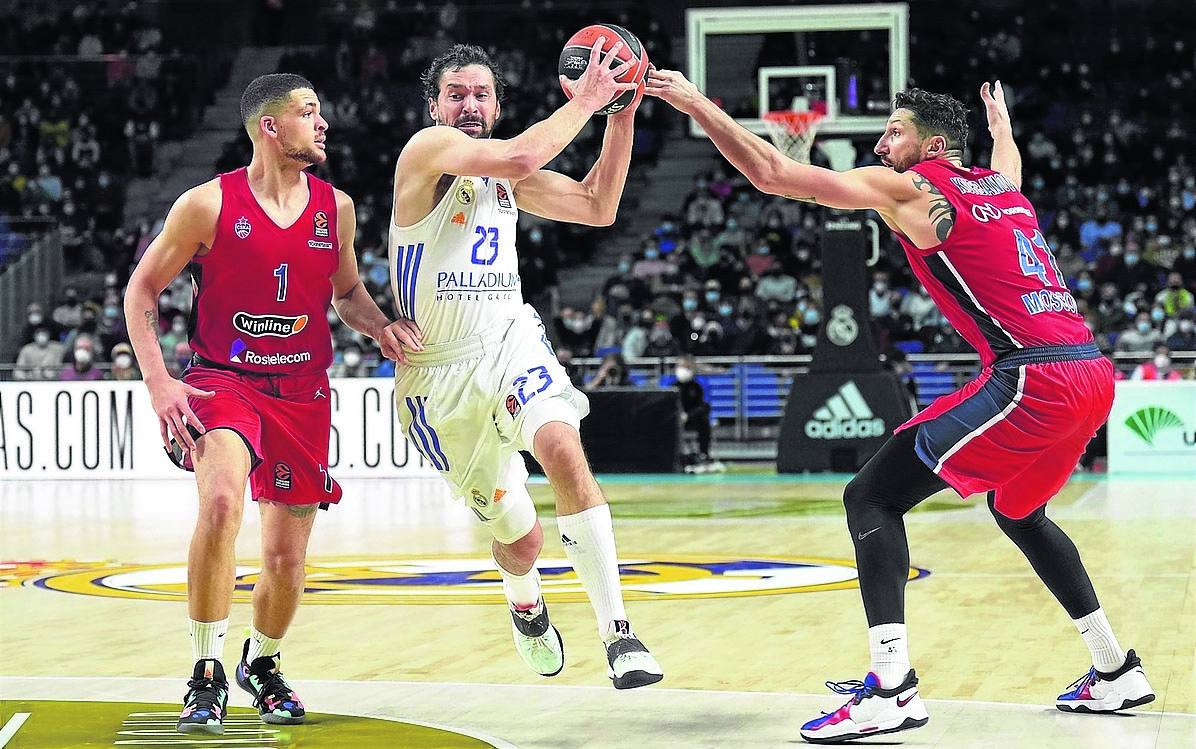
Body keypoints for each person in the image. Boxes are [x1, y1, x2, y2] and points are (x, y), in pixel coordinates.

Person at [646, 71, 1154, 741]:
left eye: (894, 132)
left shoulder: (915, 190)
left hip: (1034, 376)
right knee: (1019, 510)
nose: (883, 143)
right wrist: (1002, 130)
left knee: (871, 496)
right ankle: (1116, 668)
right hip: (1091, 372)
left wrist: (693, 102)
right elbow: (1009, 164)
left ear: (932, 144)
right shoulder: (1001, 191)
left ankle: (891, 686)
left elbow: (773, 173)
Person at [123, 73, 416, 736]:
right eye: (309, 113)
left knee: (286, 558)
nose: (323, 125)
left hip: (304, 394)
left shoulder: (334, 208)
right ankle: (206, 671)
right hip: (223, 382)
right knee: (222, 501)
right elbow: (140, 291)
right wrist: (160, 381)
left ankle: (263, 661)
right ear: (270, 127)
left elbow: (345, 294)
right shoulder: (207, 205)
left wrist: (381, 326)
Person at [388, 42, 662, 689]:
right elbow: (520, 152)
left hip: (509, 339)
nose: (470, 104)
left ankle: (618, 632)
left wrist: (620, 115)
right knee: (521, 539)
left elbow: (599, 205)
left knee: (563, 447)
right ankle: (526, 604)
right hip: (439, 379)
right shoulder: (424, 152)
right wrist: (590, 100)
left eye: (482, 94)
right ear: (434, 107)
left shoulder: (507, 177)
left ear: (498, 104)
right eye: (456, 93)